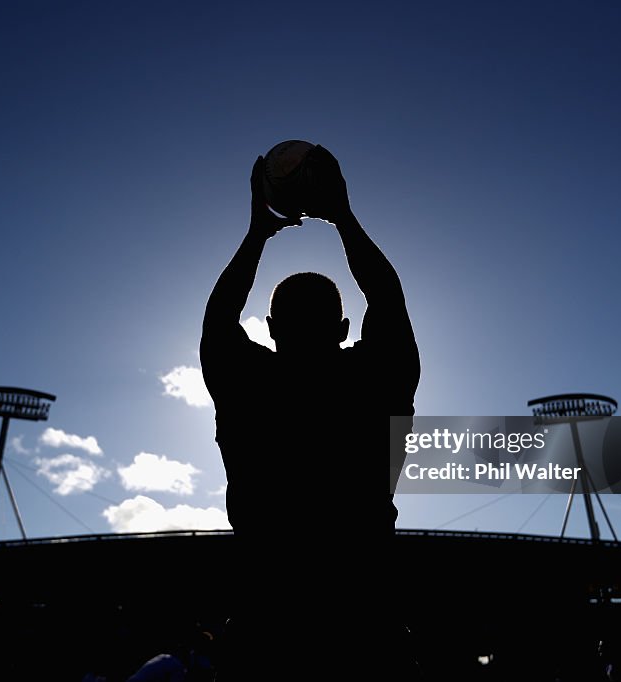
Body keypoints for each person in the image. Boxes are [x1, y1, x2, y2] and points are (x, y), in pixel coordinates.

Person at [200, 145, 420, 680]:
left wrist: (258, 233)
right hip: (364, 623)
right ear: (345, 329)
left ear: (270, 330)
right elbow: (388, 300)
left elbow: (218, 320)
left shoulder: (249, 387)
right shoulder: (374, 382)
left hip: (266, 623)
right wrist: (343, 216)